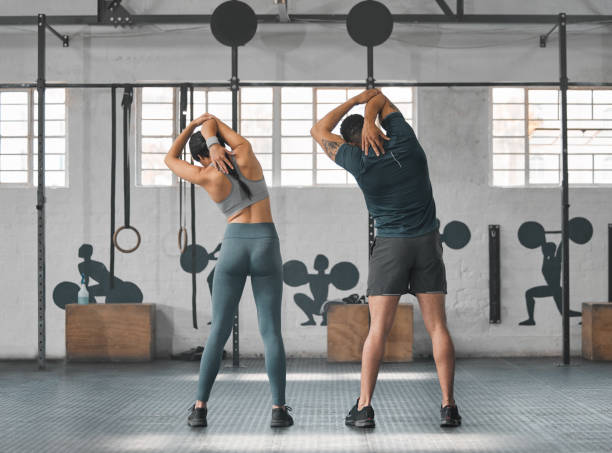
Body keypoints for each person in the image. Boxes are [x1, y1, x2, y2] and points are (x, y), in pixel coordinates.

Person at [310, 88, 461, 428]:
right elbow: (378, 96)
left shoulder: (357, 160)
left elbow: (318, 130)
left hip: (391, 245)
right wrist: (369, 116)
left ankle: (364, 408)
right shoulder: (406, 142)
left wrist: (352, 105)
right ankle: (449, 405)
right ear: (376, 130)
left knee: (378, 328)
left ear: (350, 142)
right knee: (438, 326)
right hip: (426, 243)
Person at [165, 113, 293, 429]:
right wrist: (211, 128)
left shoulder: (205, 174)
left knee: (219, 330)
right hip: (266, 241)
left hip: (234, 243)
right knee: (271, 331)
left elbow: (169, 158)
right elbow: (218, 128)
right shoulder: (246, 154)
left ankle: (199, 408)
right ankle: (278, 410)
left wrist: (191, 128)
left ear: (199, 156)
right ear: (221, 145)